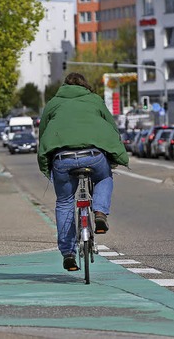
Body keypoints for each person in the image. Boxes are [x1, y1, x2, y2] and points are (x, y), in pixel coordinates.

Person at [37, 72, 128, 272]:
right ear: (85, 85)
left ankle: (68, 253)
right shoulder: (94, 99)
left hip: (62, 159)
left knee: (64, 202)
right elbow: (112, 128)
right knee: (104, 177)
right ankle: (100, 213)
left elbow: (42, 133)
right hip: (93, 155)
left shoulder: (53, 103)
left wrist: (46, 162)